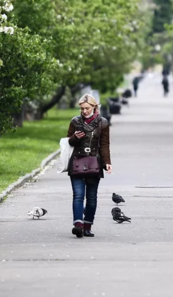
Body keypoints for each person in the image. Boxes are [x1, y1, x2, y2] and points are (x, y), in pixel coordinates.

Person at [67, 94, 112, 238]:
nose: (84, 111)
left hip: (94, 163)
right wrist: (75, 137)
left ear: (94, 107)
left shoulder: (103, 123)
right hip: (77, 162)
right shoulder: (75, 121)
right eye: (82, 108)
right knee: (78, 195)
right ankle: (78, 226)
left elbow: (104, 145)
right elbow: (68, 142)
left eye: (87, 108)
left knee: (91, 198)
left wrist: (107, 162)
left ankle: (87, 226)